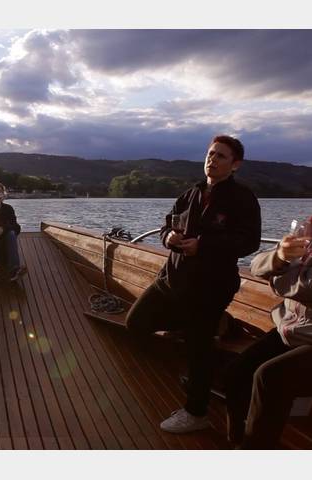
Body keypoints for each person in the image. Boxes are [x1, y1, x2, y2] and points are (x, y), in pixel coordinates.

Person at [125, 135, 261, 434]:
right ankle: (214, 328)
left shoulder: (242, 198)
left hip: (210, 288)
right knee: (136, 322)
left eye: (221, 156)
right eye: (210, 154)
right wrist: (168, 238)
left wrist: (205, 245)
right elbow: (166, 226)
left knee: (200, 348)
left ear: (235, 165)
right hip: (171, 280)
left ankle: (196, 412)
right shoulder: (190, 194)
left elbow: (249, 241)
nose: (212, 159)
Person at [223, 235, 312, 448]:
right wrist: (279, 256)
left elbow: (306, 287)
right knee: (236, 371)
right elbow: (256, 266)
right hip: (291, 331)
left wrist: (277, 274)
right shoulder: (306, 237)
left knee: (270, 377)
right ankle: (238, 443)